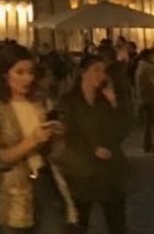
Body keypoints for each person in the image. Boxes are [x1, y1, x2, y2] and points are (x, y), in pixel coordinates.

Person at [0, 46, 71, 233]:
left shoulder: (41, 102)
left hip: (46, 183)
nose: (27, 78)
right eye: (19, 72)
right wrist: (32, 140)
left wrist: (58, 136)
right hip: (14, 191)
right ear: (5, 75)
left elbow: (56, 154)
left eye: (30, 72)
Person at [54, 53, 129, 234]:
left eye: (103, 71)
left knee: (117, 223)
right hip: (81, 173)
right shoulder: (69, 101)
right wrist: (92, 150)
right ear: (82, 72)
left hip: (109, 172)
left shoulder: (105, 100)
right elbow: (68, 134)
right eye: (95, 70)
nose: (100, 75)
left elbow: (122, 130)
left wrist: (113, 102)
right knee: (79, 223)